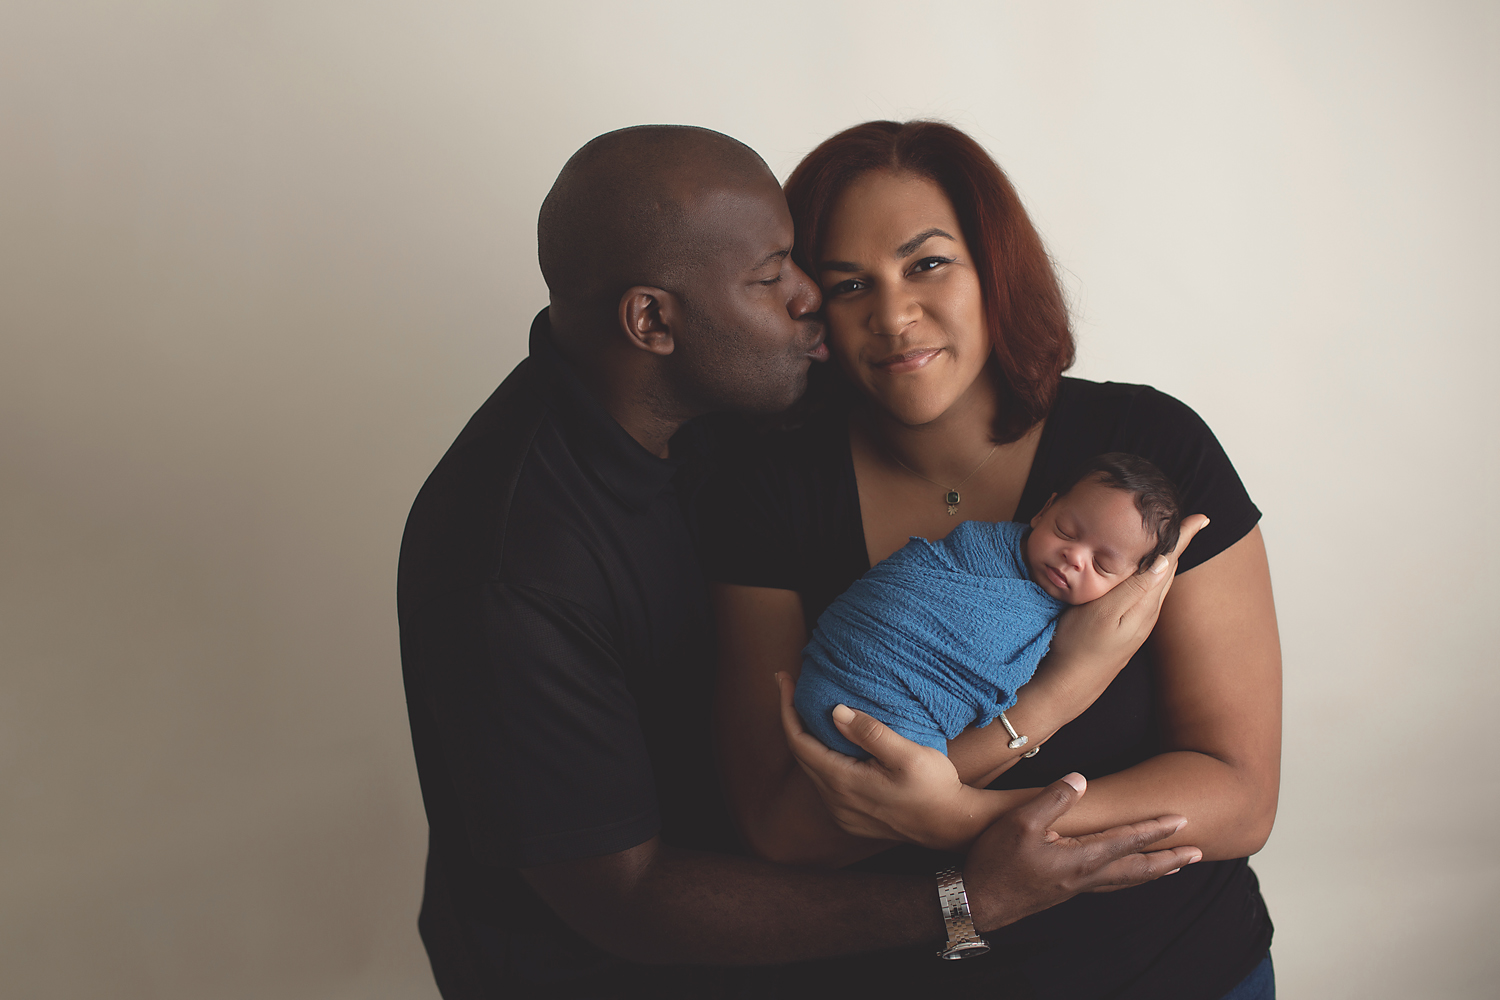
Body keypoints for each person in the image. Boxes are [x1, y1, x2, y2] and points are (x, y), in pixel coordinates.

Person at [397, 124, 1205, 998]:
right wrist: (964, 897)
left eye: (801, 264)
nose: (813, 295)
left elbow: (1238, 788)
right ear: (652, 320)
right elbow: (624, 899)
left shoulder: (709, 428)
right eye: (773, 275)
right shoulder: (517, 565)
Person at [701, 120, 1281, 999]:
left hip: (1178, 971)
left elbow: (1240, 798)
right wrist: (1049, 703)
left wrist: (964, 815)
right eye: (850, 283)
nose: (894, 316)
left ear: (993, 270)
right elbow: (783, 827)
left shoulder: (1150, 450)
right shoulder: (767, 487)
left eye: (927, 264)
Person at [796, 452, 1183, 758]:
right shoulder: (976, 548)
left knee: (921, 776)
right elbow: (901, 597)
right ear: (1044, 510)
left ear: (1129, 582)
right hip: (838, 669)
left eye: (1102, 564)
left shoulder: (1083, 625)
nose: (1074, 557)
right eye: (1066, 531)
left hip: (895, 723)